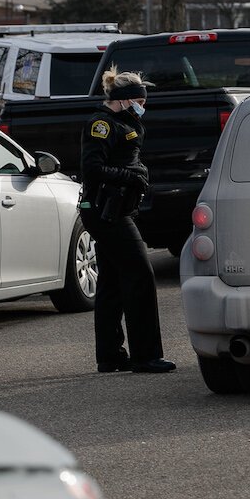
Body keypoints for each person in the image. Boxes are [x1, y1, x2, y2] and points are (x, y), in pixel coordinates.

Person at [80, 66, 176, 374]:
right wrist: (131, 176)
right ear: (124, 99)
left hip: (118, 208)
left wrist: (135, 174)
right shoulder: (102, 125)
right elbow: (93, 169)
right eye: (139, 101)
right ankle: (146, 356)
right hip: (106, 211)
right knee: (140, 276)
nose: (143, 107)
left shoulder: (125, 121)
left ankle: (110, 356)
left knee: (111, 281)